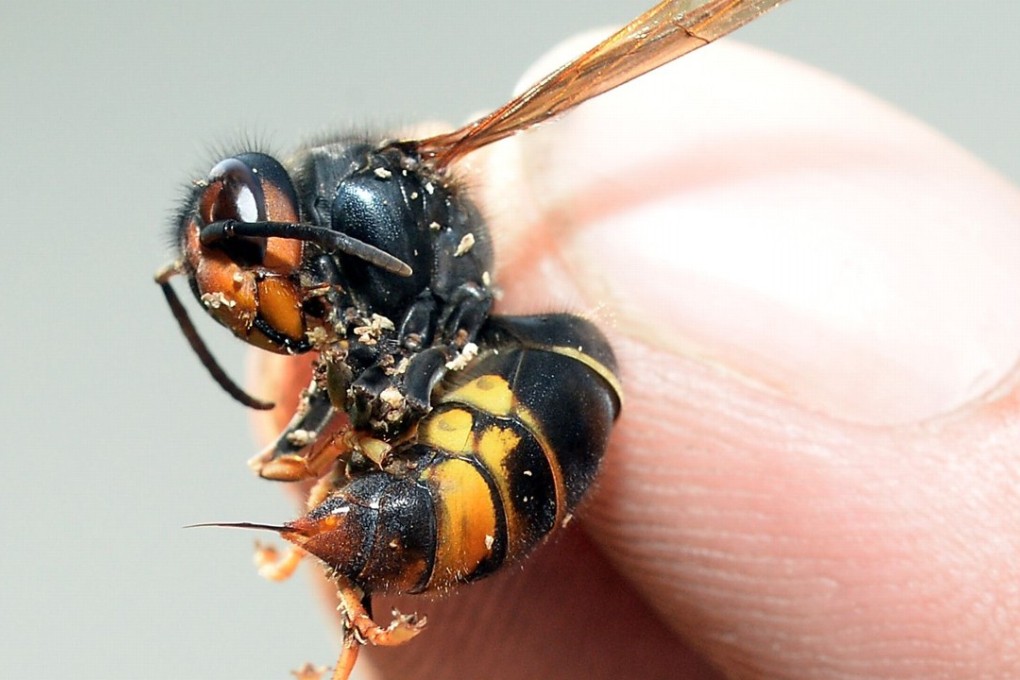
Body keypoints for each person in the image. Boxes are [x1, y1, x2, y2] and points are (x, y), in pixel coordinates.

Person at [251, 37, 1020, 679]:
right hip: (497, 410)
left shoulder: (383, 219)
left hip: (541, 388)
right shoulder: (366, 330)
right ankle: (368, 544)